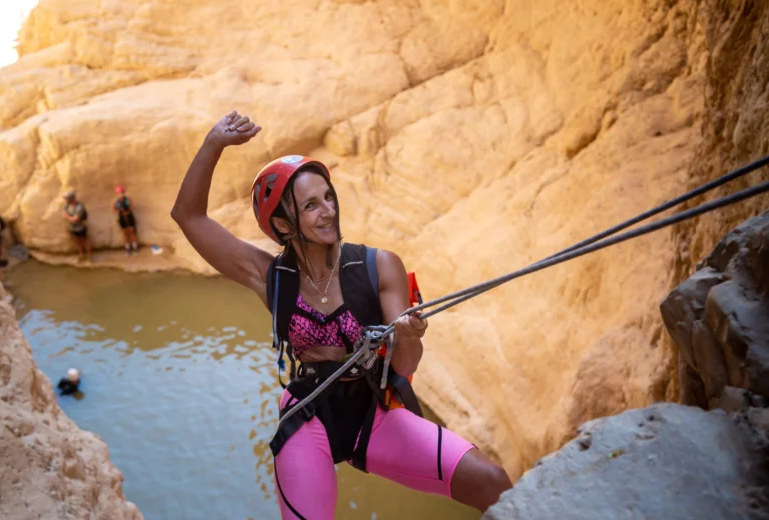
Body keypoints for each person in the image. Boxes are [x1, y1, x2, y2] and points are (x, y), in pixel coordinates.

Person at [171, 110, 512, 519]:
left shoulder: (378, 266)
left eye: (328, 197)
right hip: (309, 416)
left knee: (492, 482)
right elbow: (188, 217)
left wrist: (408, 335)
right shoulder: (272, 278)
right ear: (283, 224)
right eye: (311, 205)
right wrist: (214, 142)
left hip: (375, 411)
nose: (328, 211)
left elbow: (403, 367)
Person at [60, 190, 92, 262]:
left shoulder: (80, 207)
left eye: (67, 198)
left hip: (81, 228)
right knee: (76, 242)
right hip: (72, 228)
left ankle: (89, 257)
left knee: (85, 242)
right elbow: (63, 214)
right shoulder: (67, 205)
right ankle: (81, 255)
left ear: (71, 199)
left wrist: (67, 216)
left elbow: (75, 219)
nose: (65, 200)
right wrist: (70, 217)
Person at [112, 185, 139, 255]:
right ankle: (127, 248)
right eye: (119, 192)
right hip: (122, 218)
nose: (121, 193)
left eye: (122, 192)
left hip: (130, 216)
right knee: (125, 233)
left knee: (132, 231)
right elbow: (114, 210)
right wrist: (119, 211)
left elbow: (133, 207)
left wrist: (128, 211)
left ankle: (135, 247)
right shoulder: (116, 201)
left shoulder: (128, 199)